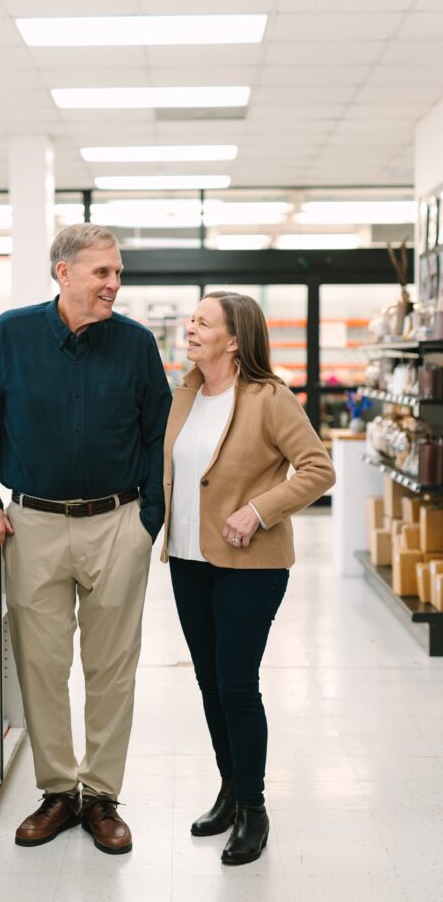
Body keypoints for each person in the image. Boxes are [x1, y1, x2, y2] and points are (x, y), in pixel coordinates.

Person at [0, 223, 171, 855]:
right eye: (102, 272)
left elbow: (158, 437)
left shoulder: (134, 345)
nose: (114, 285)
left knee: (112, 668)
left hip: (117, 524)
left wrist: (146, 521)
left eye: (118, 273)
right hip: (33, 526)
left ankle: (101, 797)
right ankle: (57, 793)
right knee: (41, 668)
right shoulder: (9, 335)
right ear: (64, 272)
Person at [161, 290, 335, 865]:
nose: (190, 327)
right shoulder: (184, 394)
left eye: (202, 322)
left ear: (234, 340)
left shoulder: (268, 397)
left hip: (249, 565)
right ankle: (230, 791)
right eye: (192, 318)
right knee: (210, 683)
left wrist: (260, 509)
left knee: (236, 684)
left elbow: (318, 468)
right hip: (188, 559)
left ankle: (254, 810)